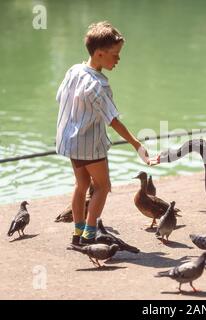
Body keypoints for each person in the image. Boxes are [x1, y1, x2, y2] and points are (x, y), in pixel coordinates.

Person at [56, 21, 152, 245]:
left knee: (80, 185)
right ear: (99, 54)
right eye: (115, 55)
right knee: (102, 186)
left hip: (71, 140)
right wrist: (137, 144)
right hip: (90, 143)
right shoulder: (98, 85)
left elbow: (60, 97)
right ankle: (90, 234)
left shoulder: (74, 71)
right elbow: (113, 121)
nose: (118, 59)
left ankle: (78, 233)